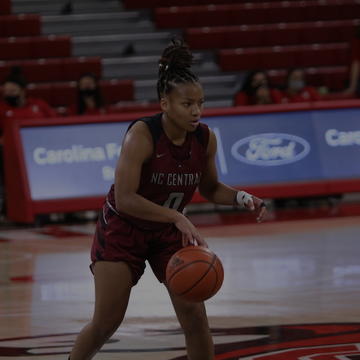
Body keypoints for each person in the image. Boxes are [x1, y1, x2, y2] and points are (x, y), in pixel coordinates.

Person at [68, 38, 267, 360]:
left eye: (200, 103)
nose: (197, 111)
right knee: (106, 322)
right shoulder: (142, 136)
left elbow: (211, 187)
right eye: (187, 104)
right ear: (165, 104)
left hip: (166, 233)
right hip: (123, 228)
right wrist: (177, 216)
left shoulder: (204, 137)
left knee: (195, 319)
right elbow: (125, 198)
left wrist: (243, 198)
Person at [0, 67, 57, 134]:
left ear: (23, 91)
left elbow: (55, 123)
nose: (9, 95)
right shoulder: (2, 109)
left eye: (12, 91)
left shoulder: (39, 104)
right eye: (6, 92)